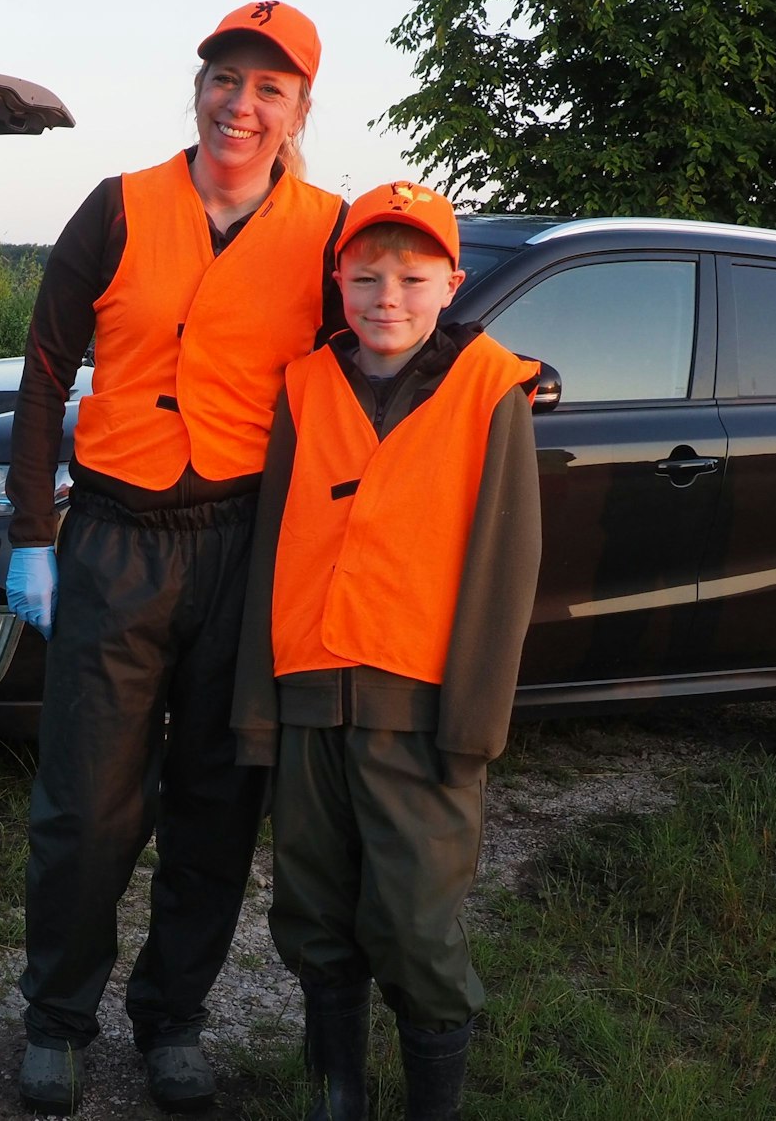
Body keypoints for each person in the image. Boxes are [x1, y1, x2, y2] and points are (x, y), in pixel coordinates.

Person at [3, 1, 347, 1113]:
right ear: (197, 89)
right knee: (85, 803)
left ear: (298, 110)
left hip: (244, 546)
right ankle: (56, 1016)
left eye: (267, 89)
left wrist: (492, 371)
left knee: (214, 800)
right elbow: (45, 370)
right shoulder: (116, 207)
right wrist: (31, 536)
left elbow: (399, 330)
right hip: (114, 542)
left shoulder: (332, 229)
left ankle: (172, 1018)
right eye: (223, 80)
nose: (238, 106)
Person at [230, 181, 543, 1121]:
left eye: (412, 276)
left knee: (413, 926)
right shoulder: (305, 383)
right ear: (339, 280)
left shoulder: (492, 390)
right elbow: (271, 549)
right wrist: (259, 708)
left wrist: (474, 725)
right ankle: (340, 1093)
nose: (387, 297)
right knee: (314, 914)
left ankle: (430, 1106)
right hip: (309, 698)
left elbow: (504, 565)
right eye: (366, 276)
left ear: (453, 281)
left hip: (422, 710)